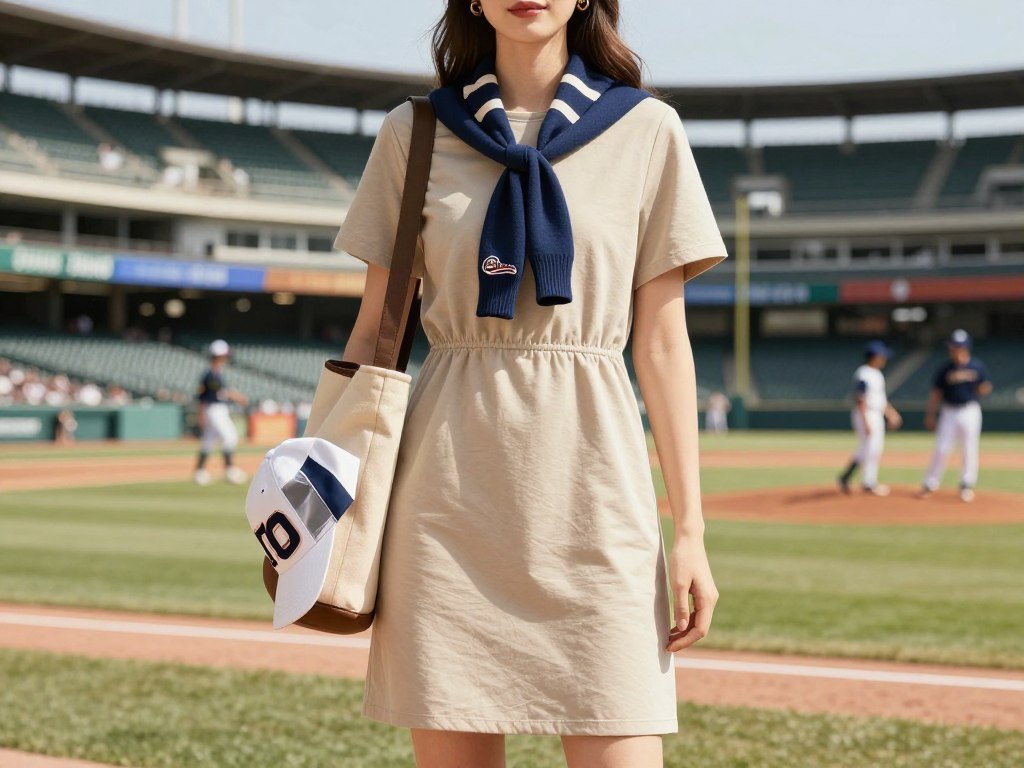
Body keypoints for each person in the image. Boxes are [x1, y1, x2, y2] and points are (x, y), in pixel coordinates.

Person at [333, 2, 728, 765]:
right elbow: (372, 332)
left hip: (596, 497)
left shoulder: (648, 130)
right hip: (443, 504)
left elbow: (664, 346)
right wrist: (323, 482)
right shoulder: (413, 133)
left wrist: (691, 533)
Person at [918, 329, 991, 502]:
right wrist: (930, 414)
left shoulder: (976, 366)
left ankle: (966, 484)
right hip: (949, 411)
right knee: (942, 448)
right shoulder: (945, 368)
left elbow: (985, 386)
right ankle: (930, 483)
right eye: (953, 346)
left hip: (970, 410)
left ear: (966, 347)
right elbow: (935, 393)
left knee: (969, 448)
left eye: (958, 346)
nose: (954, 349)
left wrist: (981, 387)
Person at [837, 340, 902, 496]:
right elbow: (860, 398)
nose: (884, 358)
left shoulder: (877, 374)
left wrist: (891, 414)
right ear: (874, 356)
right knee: (870, 447)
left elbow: (881, 399)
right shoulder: (864, 373)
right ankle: (867, 482)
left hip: (876, 413)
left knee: (872, 448)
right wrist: (865, 420)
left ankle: (850, 478)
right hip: (865, 413)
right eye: (882, 355)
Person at [193, 339, 249, 486]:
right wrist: (238, 397)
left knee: (208, 440)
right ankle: (229, 470)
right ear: (218, 356)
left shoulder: (215, 372)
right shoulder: (211, 374)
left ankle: (199, 472)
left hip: (215, 409)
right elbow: (216, 392)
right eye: (224, 355)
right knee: (230, 436)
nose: (226, 358)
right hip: (214, 409)